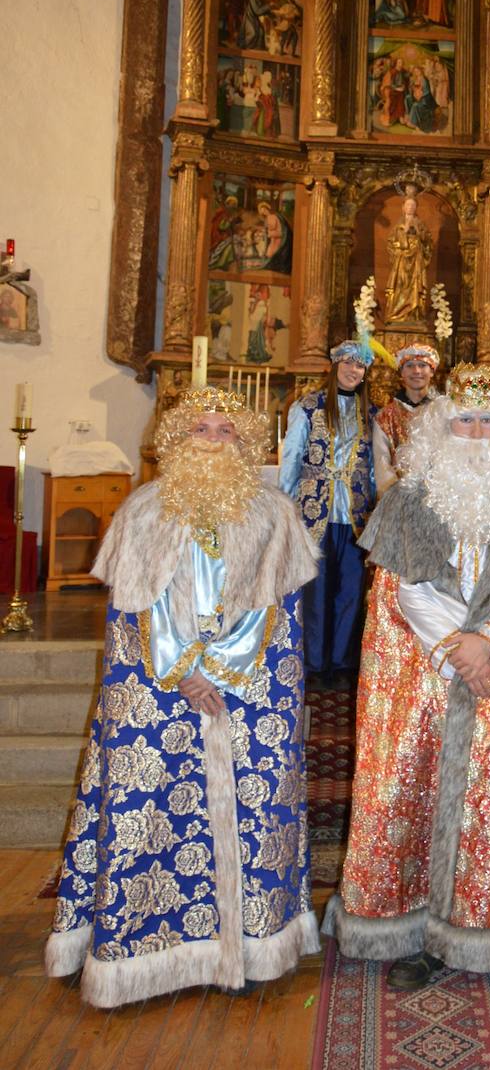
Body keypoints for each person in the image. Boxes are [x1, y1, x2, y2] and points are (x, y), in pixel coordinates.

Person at [323, 364, 490, 992]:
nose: (474, 434)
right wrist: (460, 649)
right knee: (419, 795)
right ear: (441, 428)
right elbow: (402, 588)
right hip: (429, 673)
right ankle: (425, 934)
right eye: (462, 421)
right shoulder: (409, 497)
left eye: (486, 422)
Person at [45, 386, 321, 1006]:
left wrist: (220, 668)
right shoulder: (143, 510)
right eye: (202, 430)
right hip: (156, 689)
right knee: (152, 807)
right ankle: (148, 951)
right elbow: (133, 607)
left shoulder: (274, 512)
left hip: (249, 691)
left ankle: (254, 943)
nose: (214, 442)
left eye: (227, 432)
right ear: (178, 440)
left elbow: (278, 607)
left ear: (245, 443)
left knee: (257, 806)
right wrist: (182, 671)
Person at [280, 340, 377, 680]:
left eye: (360, 366)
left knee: (350, 590)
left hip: (355, 514)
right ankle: (315, 662)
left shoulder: (371, 412)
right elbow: (292, 457)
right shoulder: (309, 407)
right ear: (335, 366)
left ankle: (342, 662)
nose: (353, 371)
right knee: (317, 589)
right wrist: (285, 504)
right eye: (348, 363)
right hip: (314, 508)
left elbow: (376, 466)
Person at [373, 342, 439, 496]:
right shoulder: (384, 416)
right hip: (398, 499)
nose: (416, 371)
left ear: (432, 371)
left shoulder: (443, 412)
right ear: (401, 373)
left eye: (422, 365)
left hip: (437, 497)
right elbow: (382, 463)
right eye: (409, 365)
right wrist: (396, 498)